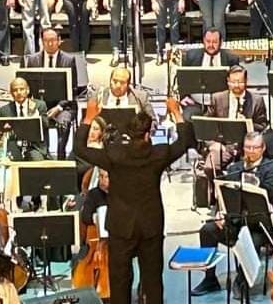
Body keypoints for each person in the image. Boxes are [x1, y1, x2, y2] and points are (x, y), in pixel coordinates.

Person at [75, 92, 193, 304]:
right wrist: (176, 112)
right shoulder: (158, 154)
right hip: (150, 225)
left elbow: (80, 149)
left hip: (121, 226)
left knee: (119, 282)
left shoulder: (114, 154)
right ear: (148, 134)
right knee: (152, 281)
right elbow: (185, 141)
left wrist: (89, 117)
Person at [191, 131, 273, 297]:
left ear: (263, 148)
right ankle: (209, 279)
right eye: (248, 147)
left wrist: (252, 182)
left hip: (258, 226)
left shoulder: (272, 168)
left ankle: (242, 280)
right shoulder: (235, 168)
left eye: (255, 148)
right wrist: (219, 213)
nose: (251, 151)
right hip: (235, 221)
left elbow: (270, 192)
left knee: (251, 240)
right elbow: (223, 194)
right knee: (207, 230)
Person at [24, 28, 79, 159]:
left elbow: (73, 89)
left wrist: (59, 107)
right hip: (40, 104)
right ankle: (43, 155)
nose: (49, 43)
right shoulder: (32, 60)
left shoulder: (69, 60)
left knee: (63, 123)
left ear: (59, 41)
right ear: (41, 41)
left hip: (63, 105)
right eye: (46, 40)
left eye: (53, 40)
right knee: (34, 120)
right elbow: (28, 86)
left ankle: (61, 157)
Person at [0, 76, 49, 161]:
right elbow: (2, 134)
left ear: (27, 90)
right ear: (11, 93)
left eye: (22, 89)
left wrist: (35, 115)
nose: (19, 92)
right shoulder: (4, 110)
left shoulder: (39, 105)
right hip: (14, 145)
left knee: (36, 160)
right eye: (15, 90)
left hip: (34, 146)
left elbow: (46, 126)